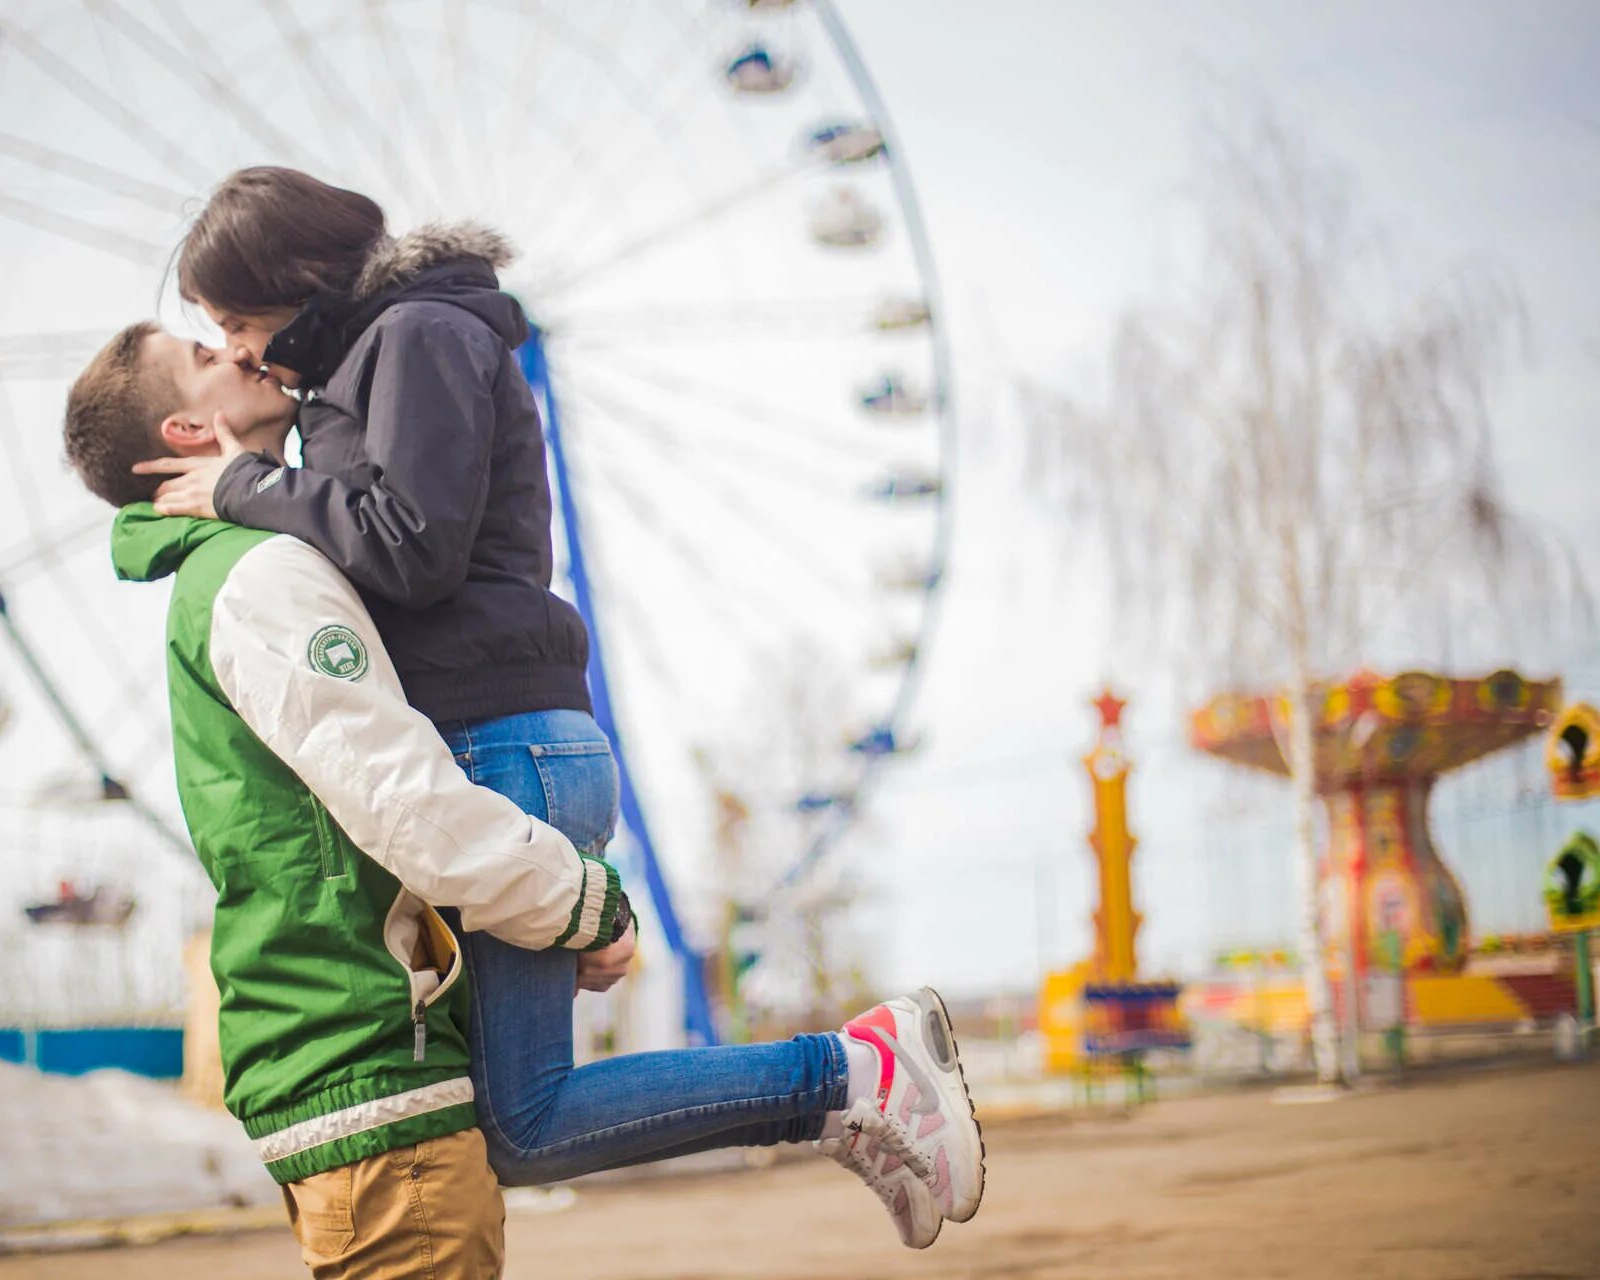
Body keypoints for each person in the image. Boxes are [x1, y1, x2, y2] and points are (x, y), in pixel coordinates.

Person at [68, 317, 984, 1268]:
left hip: (357, 1063)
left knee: (527, 1122)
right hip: (358, 1064)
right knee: (529, 1125)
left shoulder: (246, 570)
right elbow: (403, 800)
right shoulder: (260, 576)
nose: (244, 351)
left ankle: (844, 1086)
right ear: (182, 432)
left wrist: (568, 907)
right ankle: (846, 1084)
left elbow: (390, 803)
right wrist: (583, 904)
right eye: (208, 357)